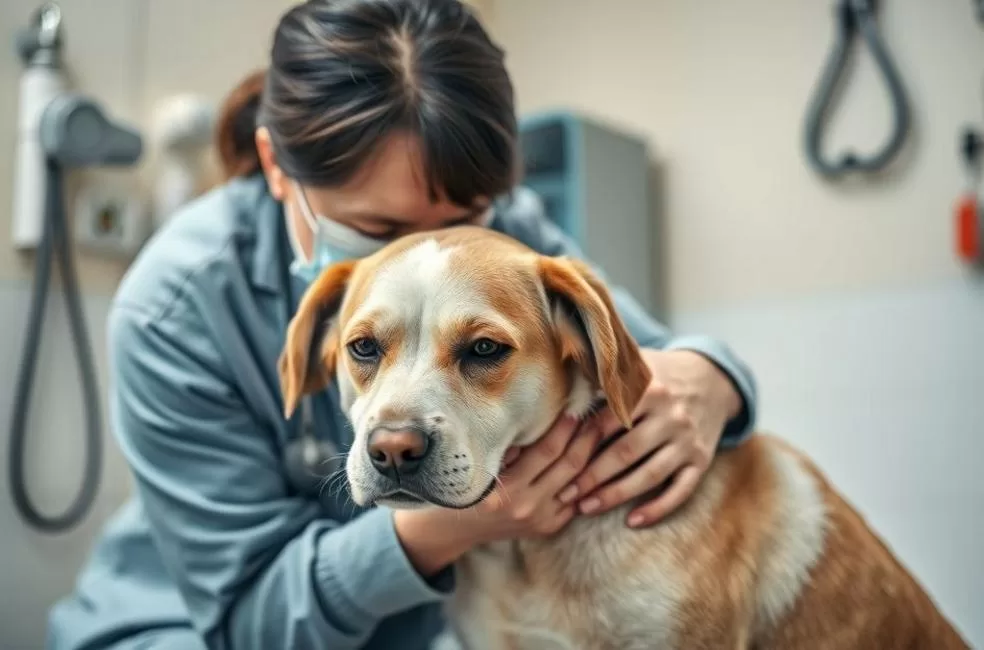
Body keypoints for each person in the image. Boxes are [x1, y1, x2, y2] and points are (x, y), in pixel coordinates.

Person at [46, 1, 758, 648]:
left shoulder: (499, 221)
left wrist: (713, 377)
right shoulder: (173, 307)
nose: (424, 250)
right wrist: (447, 526)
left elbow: (647, 355)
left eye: (459, 223)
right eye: (376, 229)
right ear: (275, 166)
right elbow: (248, 621)